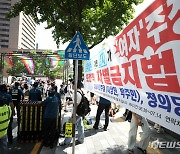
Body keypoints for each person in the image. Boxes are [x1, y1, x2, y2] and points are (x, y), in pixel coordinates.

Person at [59, 80, 84, 146]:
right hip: (79, 113)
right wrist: (71, 102)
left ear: (75, 85)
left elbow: (76, 104)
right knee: (80, 126)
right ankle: (81, 139)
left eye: (72, 85)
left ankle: (66, 141)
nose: (71, 86)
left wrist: (73, 115)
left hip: (76, 113)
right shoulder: (80, 91)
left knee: (69, 126)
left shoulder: (77, 93)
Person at [0, 84, 14, 148]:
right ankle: (10, 139)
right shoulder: (8, 95)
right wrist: (13, 112)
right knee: (9, 127)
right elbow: (11, 105)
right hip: (7, 113)